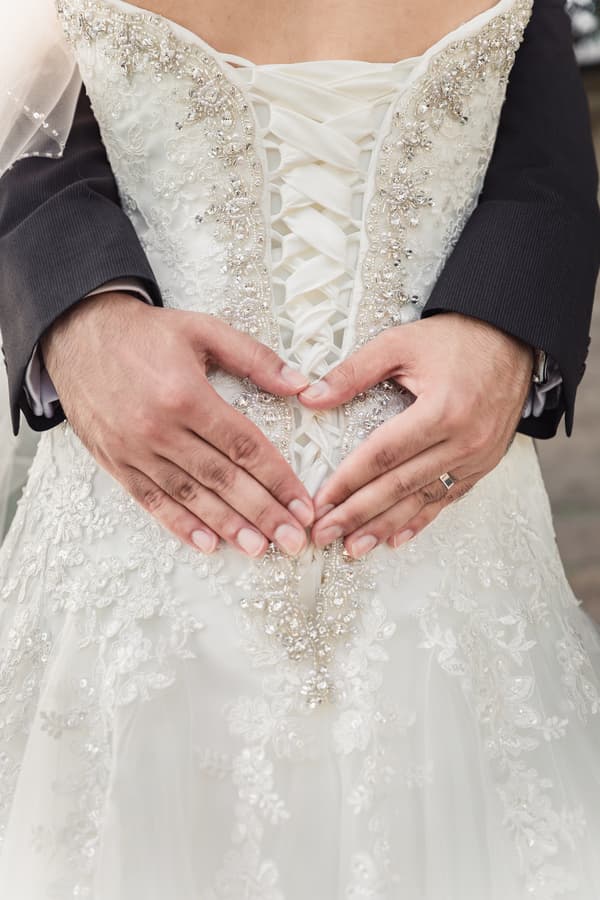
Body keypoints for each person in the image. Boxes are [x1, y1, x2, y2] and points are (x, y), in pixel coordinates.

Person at [0, 0, 599, 896]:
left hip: (453, 546)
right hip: (139, 555)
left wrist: (508, 320)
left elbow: (537, 121)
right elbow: (21, 105)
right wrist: (75, 305)